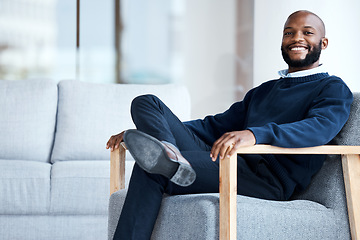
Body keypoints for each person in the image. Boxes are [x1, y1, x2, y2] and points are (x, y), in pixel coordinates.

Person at [106, 10, 353, 239]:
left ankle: (165, 157)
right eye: (289, 32)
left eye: (307, 32)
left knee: (152, 166)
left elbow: (319, 128)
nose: (296, 38)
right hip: (228, 161)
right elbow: (214, 126)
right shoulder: (264, 91)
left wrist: (255, 135)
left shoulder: (332, 88)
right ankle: (167, 151)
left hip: (265, 180)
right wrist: (151, 128)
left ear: (323, 43)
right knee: (147, 102)